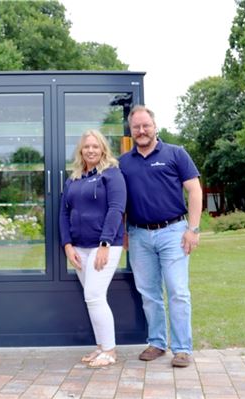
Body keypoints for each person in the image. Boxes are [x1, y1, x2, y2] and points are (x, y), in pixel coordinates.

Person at [119, 105, 202, 368]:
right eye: (136, 127)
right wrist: (123, 233)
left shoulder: (176, 154)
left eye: (146, 126)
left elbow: (195, 190)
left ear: (155, 126)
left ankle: (182, 349)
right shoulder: (124, 162)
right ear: (131, 130)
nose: (141, 131)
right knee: (149, 293)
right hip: (139, 235)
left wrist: (194, 229)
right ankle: (156, 343)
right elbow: (119, 201)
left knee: (178, 291)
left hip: (173, 233)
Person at [59, 130, 127, 368]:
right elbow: (64, 212)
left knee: (94, 296)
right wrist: (67, 245)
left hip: (104, 246)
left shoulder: (112, 174)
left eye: (95, 147)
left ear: (103, 149)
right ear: (81, 150)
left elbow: (116, 209)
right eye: (86, 147)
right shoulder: (74, 178)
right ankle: (101, 348)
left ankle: (109, 351)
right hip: (79, 248)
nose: (90, 150)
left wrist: (105, 243)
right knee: (93, 299)